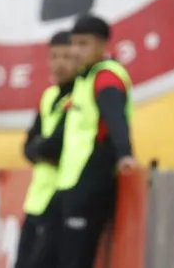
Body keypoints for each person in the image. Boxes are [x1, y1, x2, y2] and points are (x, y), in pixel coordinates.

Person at [32, 14, 137, 268]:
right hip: (69, 182)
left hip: (90, 182)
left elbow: (115, 118)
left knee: (75, 260)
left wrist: (125, 153)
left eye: (84, 44)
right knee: (43, 258)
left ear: (102, 45)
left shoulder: (106, 77)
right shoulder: (84, 79)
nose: (76, 51)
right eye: (74, 44)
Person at [14, 31, 77, 268]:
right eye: (54, 57)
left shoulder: (80, 95)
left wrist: (41, 148)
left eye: (67, 57)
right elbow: (27, 148)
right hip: (37, 198)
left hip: (61, 198)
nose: (59, 63)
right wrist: (41, 148)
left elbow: (54, 147)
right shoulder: (49, 96)